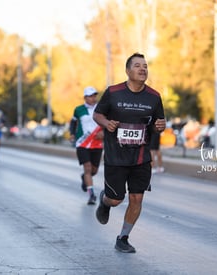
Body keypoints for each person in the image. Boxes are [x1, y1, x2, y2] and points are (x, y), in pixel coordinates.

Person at [93, 52, 166, 253]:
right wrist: (106, 123)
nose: (142, 69)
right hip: (116, 156)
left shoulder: (154, 97)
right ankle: (105, 201)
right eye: (137, 66)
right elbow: (97, 113)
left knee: (136, 199)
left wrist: (160, 126)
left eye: (145, 66)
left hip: (141, 156)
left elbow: (157, 123)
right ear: (127, 71)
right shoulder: (113, 92)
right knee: (116, 199)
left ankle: (123, 238)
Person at [69, 86, 104, 205]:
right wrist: (72, 134)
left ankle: (85, 178)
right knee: (88, 168)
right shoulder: (78, 109)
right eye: (90, 96)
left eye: (94, 95)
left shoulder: (101, 109)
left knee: (94, 170)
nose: (93, 98)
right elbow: (73, 122)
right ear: (85, 98)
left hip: (97, 144)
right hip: (82, 143)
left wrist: (104, 132)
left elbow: (107, 123)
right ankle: (91, 195)